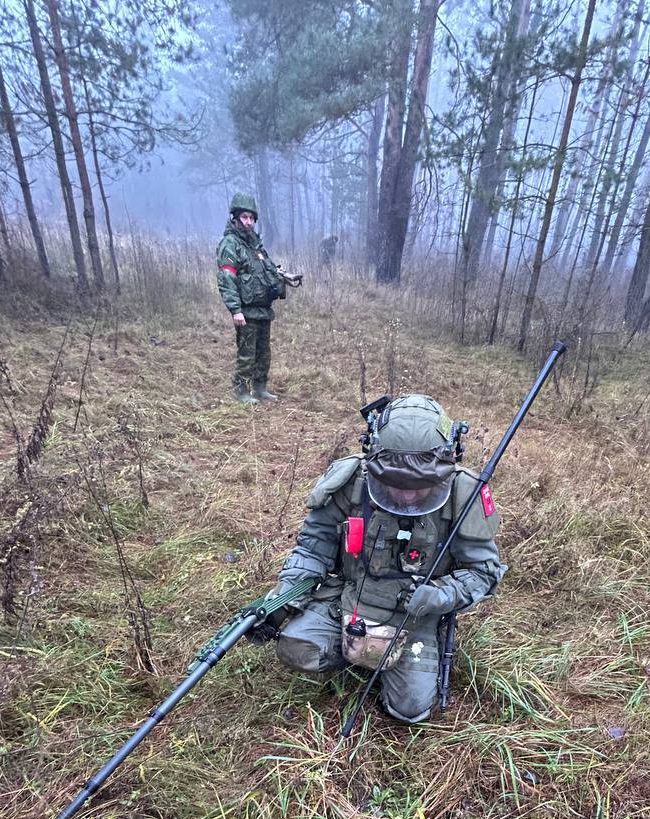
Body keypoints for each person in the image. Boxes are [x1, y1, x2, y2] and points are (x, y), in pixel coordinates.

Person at [271, 394, 506, 723]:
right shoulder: (353, 481)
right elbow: (314, 546)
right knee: (297, 649)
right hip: (349, 597)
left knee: (410, 709)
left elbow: (484, 571)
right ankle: (358, 651)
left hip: (415, 616)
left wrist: (442, 595)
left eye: (419, 486)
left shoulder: (463, 495)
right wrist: (285, 596)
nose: (407, 495)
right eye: (395, 484)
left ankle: (402, 654)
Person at [216, 192, 293, 405]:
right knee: (246, 353)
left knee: (263, 353)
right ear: (235, 218)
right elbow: (227, 278)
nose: (248, 222)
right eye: (244, 217)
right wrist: (235, 310)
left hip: (263, 309)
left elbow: (266, 270)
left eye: (251, 218)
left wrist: (280, 276)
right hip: (246, 310)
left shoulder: (255, 245)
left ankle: (260, 387)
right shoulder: (230, 244)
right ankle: (241, 390)